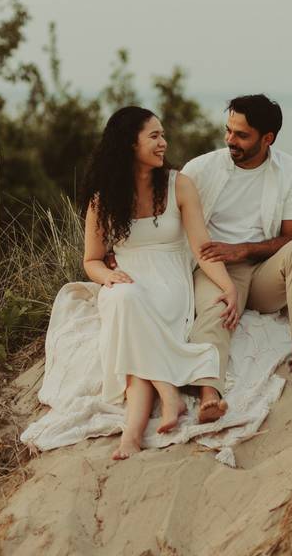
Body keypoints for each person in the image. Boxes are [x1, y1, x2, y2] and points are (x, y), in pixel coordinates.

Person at [80, 106, 240, 460]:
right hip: (125, 282)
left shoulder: (179, 184)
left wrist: (227, 286)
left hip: (169, 285)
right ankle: (158, 406)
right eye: (154, 136)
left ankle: (135, 431)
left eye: (163, 135)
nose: (163, 143)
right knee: (125, 299)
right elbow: (91, 260)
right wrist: (109, 276)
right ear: (128, 144)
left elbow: (201, 249)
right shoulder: (103, 199)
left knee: (132, 324)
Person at [181, 94, 292, 423]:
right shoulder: (200, 169)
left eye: (241, 135)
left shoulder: (291, 172)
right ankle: (209, 392)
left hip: (262, 271)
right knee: (217, 310)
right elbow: (169, 222)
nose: (230, 140)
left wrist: (243, 250)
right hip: (214, 267)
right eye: (228, 130)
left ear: (267, 138)